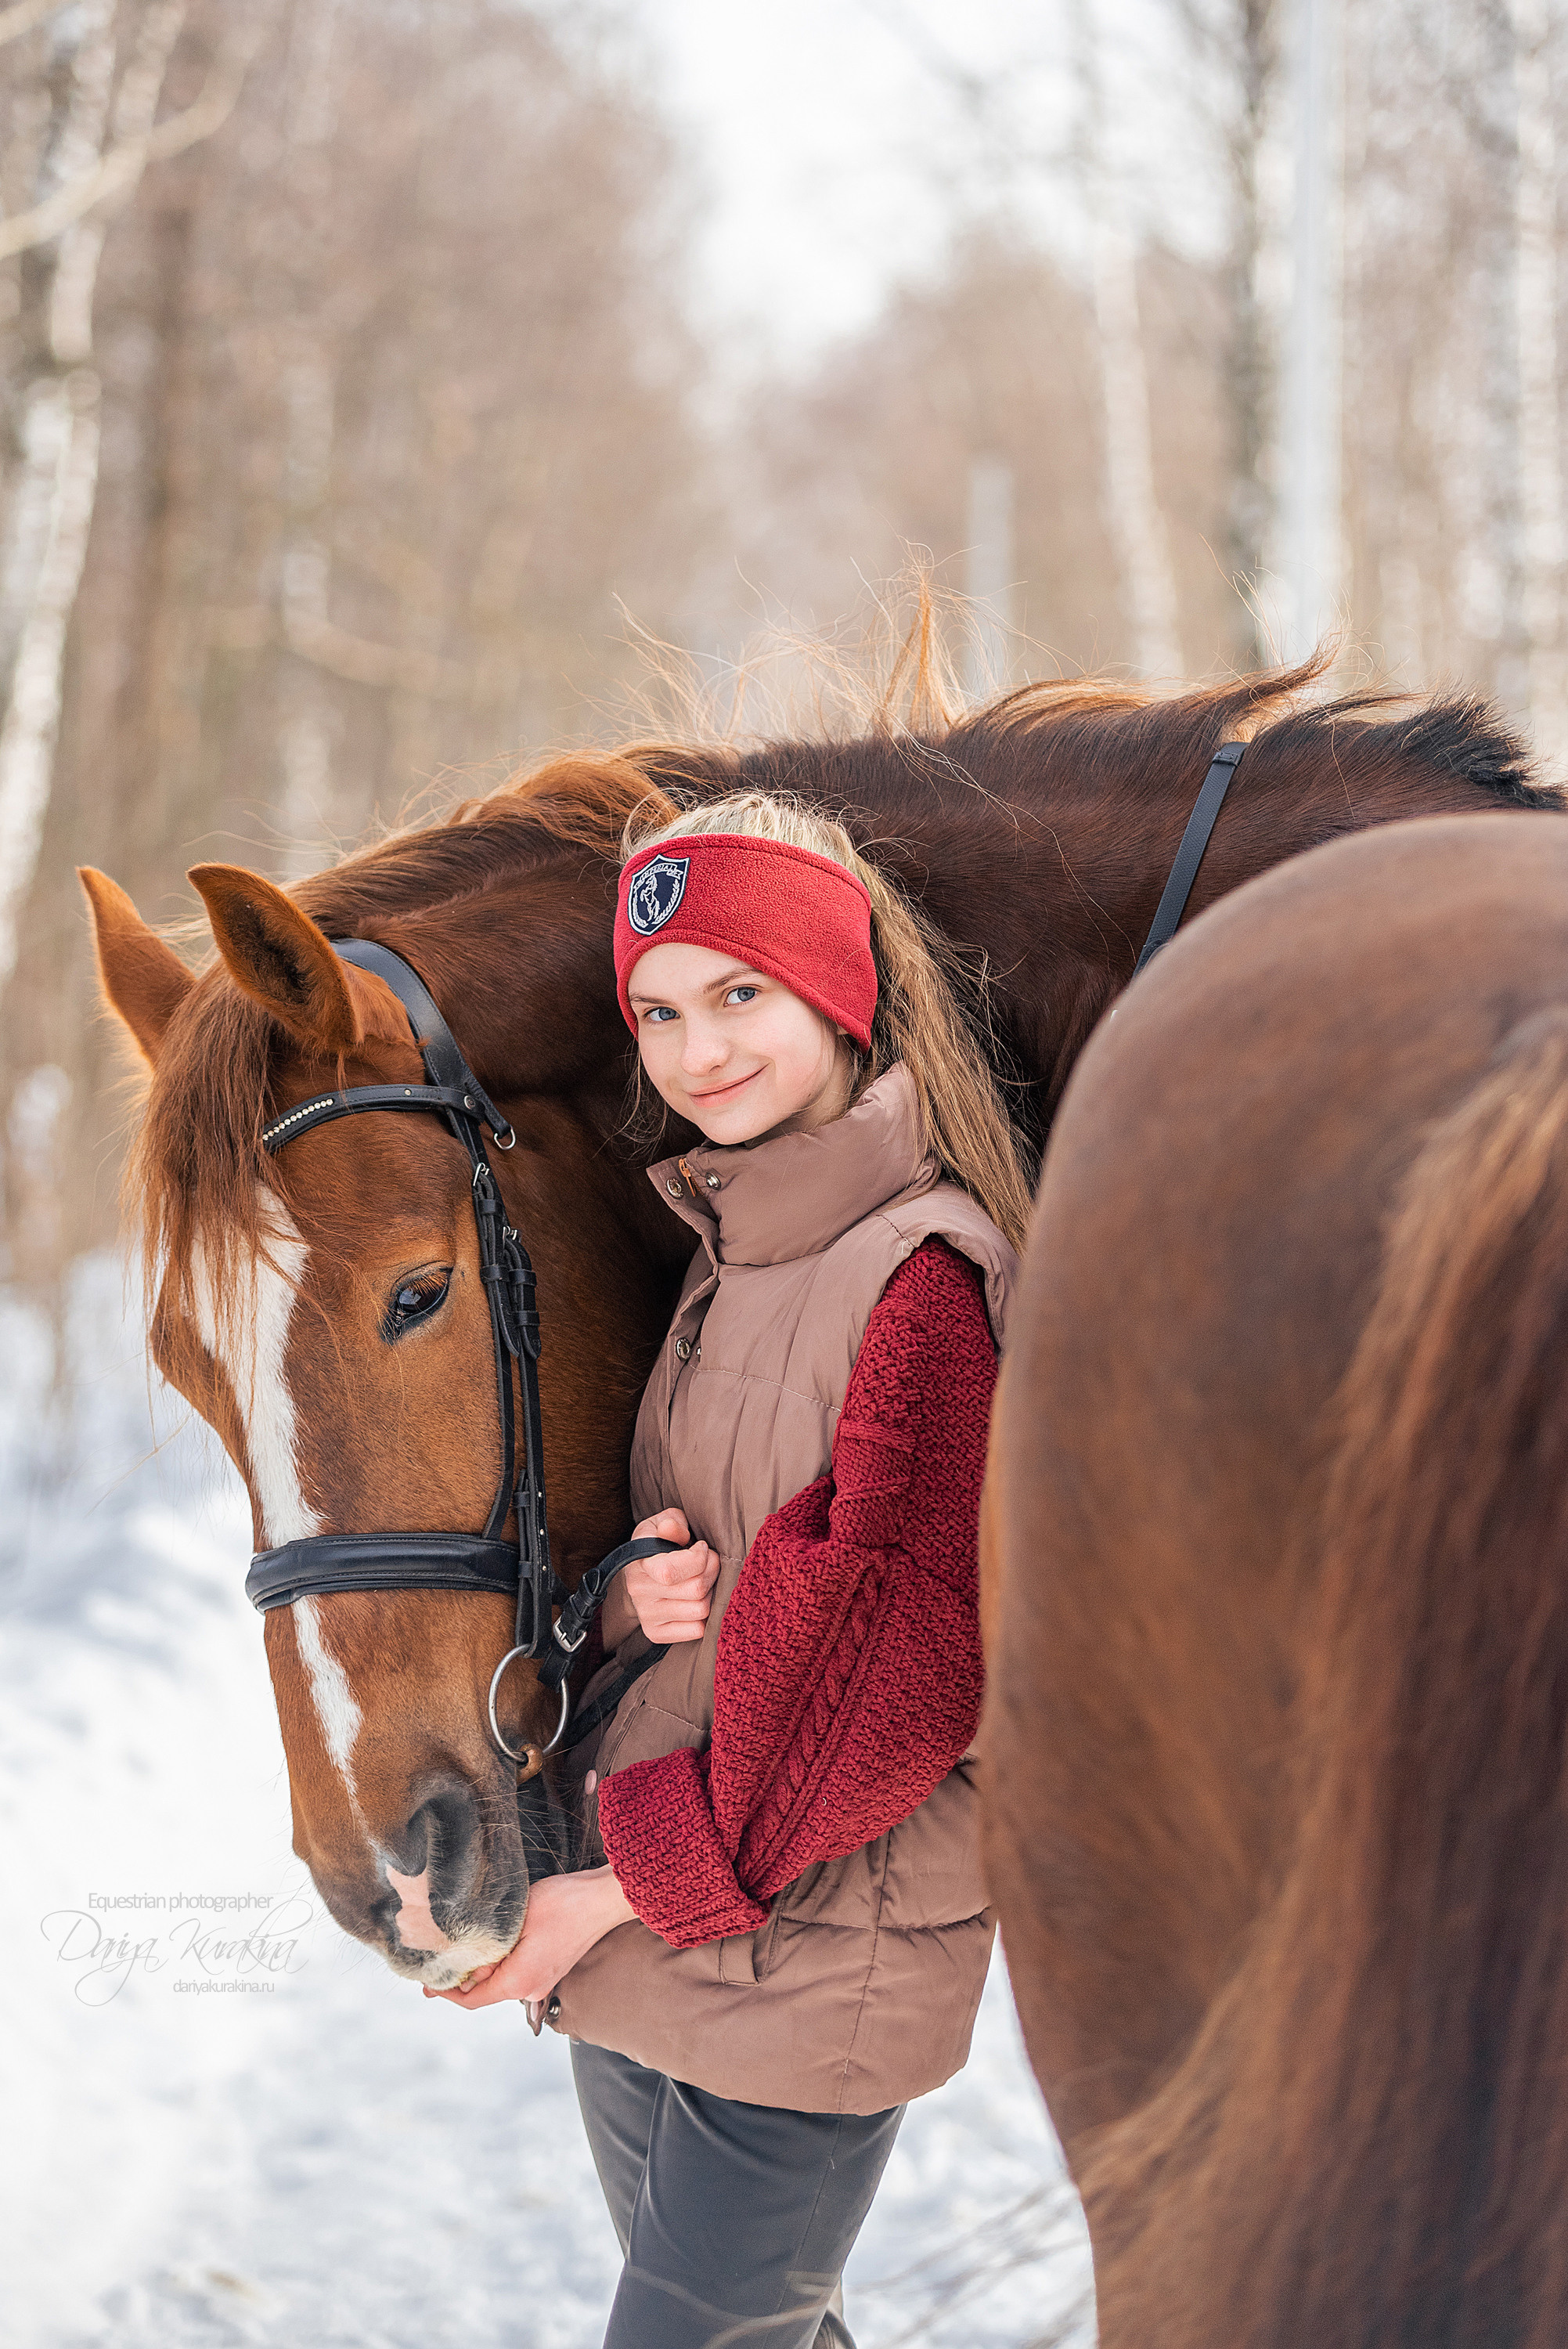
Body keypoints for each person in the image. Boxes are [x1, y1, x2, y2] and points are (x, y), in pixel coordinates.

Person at [432, 792, 1029, 2349]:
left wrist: (604, 1894)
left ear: (838, 987)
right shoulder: (724, 1256)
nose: (699, 1053)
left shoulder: (919, 1280)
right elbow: (730, 1542)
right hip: (660, 1926)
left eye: (740, 994)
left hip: (818, 1945)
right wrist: (634, 1591)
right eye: (660, 1012)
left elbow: (894, 1684)